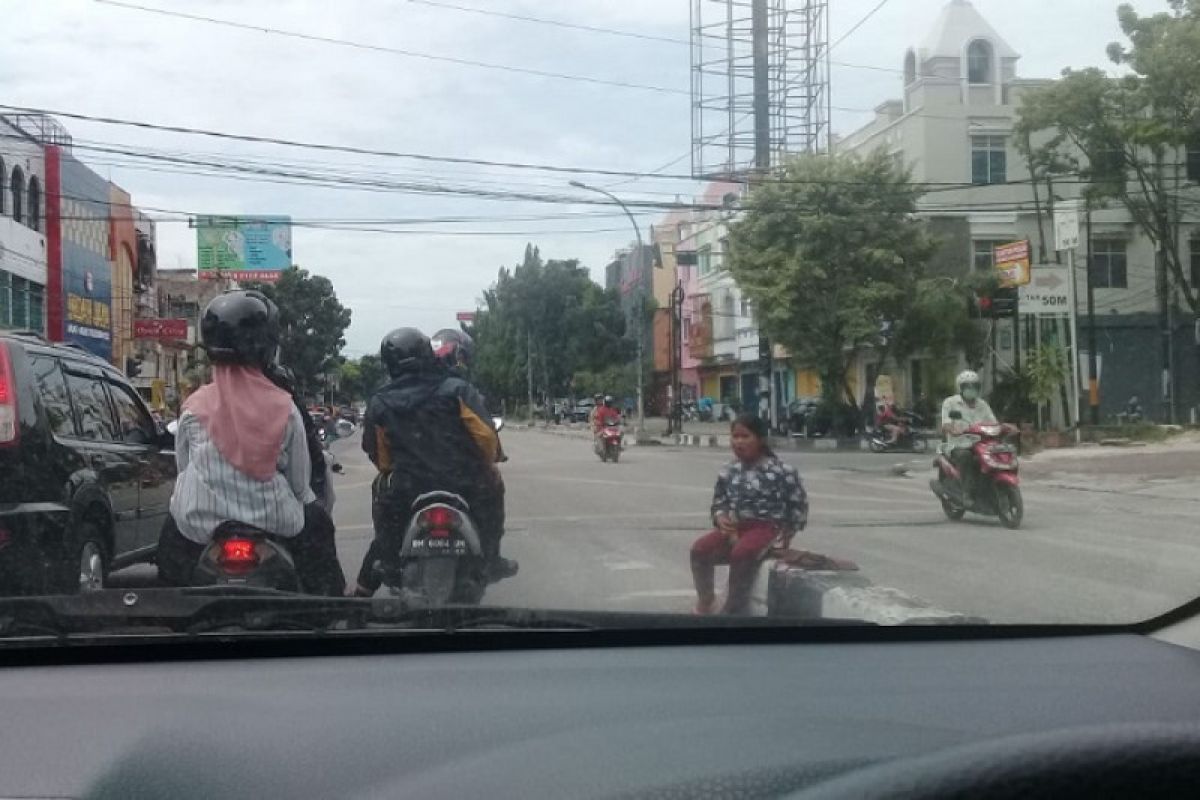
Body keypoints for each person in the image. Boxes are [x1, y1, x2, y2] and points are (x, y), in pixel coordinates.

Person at [157, 290, 346, 595]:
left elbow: (183, 469)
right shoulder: (285, 408)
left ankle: (168, 616)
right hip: (275, 520)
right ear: (268, 347)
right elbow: (300, 484)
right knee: (319, 532)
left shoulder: (192, 407)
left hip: (199, 524)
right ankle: (329, 610)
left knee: (169, 563)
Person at [350, 328, 516, 597]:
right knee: (494, 481)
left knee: (385, 512)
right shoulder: (458, 389)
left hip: (407, 487)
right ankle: (492, 558)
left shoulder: (380, 402)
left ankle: (387, 564)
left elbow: (381, 458)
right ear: (429, 354)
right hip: (466, 483)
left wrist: (399, 470)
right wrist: (485, 464)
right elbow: (486, 438)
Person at [690, 414, 808, 616]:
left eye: (745, 436)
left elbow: (798, 506)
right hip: (735, 528)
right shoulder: (729, 471)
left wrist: (788, 533)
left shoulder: (782, 471)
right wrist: (720, 517)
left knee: (742, 553)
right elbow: (719, 501)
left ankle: (734, 607)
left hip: (767, 528)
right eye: (735, 437)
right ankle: (706, 601)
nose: (739, 442)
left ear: (760, 439)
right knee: (699, 550)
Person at [941, 370, 998, 506]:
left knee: (997, 456)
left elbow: (993, 422)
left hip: (981, 444)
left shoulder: (982, 404)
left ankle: (992, 489)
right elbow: (945, 424)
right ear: (960, 388)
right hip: (959, 445)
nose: (971, 389)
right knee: (966, 457)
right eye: (967, 386)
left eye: (974, 386)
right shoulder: (951, 403)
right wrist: (954, 430)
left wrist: (1004, 428)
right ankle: (967, 492)